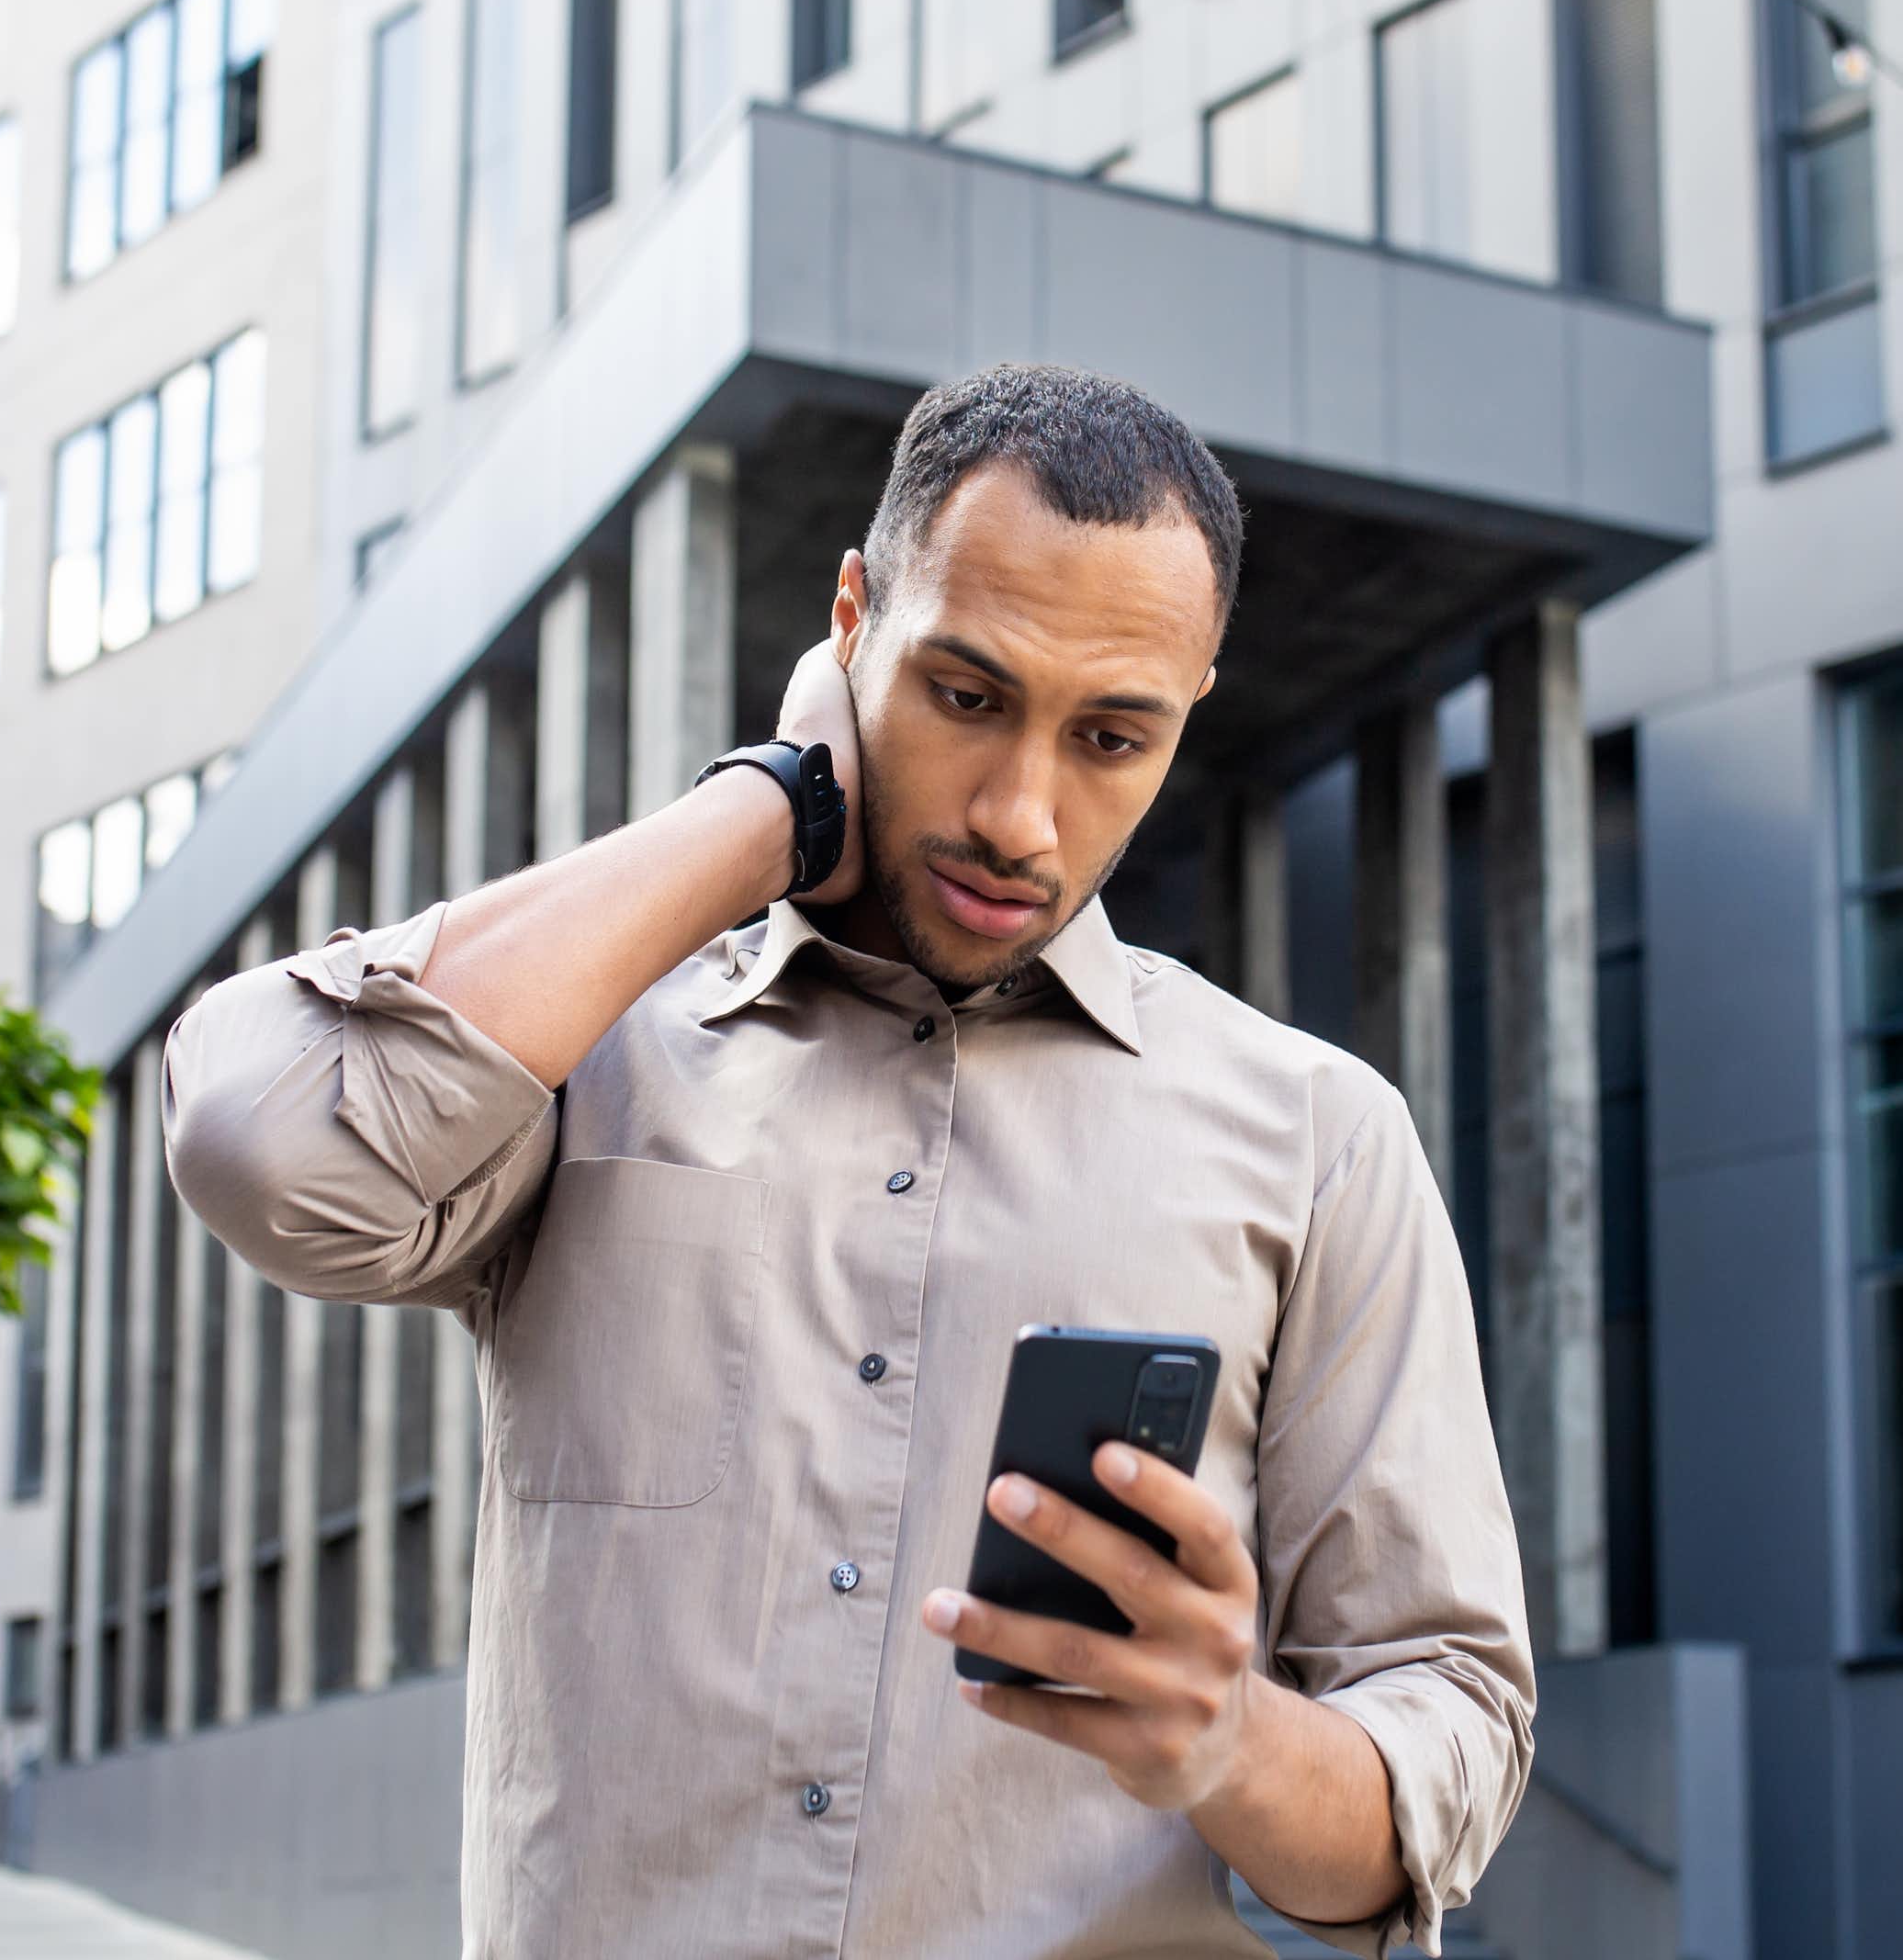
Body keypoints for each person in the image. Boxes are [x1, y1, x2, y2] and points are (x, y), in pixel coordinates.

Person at [163, 364, 1533, 1959]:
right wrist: (767, 810)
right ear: (853, 620)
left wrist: (1231, 1739)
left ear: (1191, 706)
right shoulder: (585, 1050)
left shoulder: (1320, 1141)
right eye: (964, 694)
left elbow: (1453, 1741)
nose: (1024, 815)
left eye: (1113, 736)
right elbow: (262, 1144)